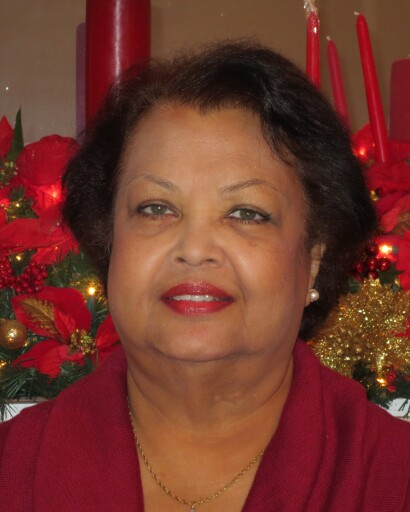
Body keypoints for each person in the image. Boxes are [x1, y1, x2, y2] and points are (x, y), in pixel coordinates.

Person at [0, 41, 409, 511]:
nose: (194, 250)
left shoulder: (392, 476)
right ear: (109, 241)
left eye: (246, 213)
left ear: (314, 257)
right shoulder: (13, 468)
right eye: (156, 208)